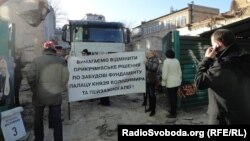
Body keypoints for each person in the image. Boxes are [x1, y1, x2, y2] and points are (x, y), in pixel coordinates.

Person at [195, 28, 250, 124]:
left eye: (212, 44)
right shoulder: (245, 58)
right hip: (244, 115)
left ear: (218, 44)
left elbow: (199, 82)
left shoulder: (222, 65)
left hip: (224, 118)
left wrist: (207, 59)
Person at [27, 40, 69, 141]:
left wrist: (34, 89)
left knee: (38, 118)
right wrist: (61, 87)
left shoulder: (37, 60)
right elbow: (65, 77)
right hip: (55, 94)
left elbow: (30, 77)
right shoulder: (61, 61)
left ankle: (39, 138)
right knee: (57, 119)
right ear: (54, 49)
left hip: (39, 94)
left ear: (44, 49)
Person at [161, 49, 182, 118]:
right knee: (174, 97)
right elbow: (180, 71)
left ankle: (173, 113)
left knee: (171, 98)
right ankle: (173, 110)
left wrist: (163, 82)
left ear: (167, 55)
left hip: (170, 83)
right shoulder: (176, 60)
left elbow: (165, 74)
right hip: (177, 82)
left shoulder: (166, 61)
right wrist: (180, 79)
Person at [144, 50, 159, 116]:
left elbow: (154, 68)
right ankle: (150, 107)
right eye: (147, 53)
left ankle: (153, 110)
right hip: (147, 79)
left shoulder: (155, 59)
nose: (148, 54)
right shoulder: (149, 59)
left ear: (153, 53)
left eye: (149, 53)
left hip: (152, 79)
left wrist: (147, 63)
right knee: (149, 95)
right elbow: (147, 68)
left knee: (152, 94)